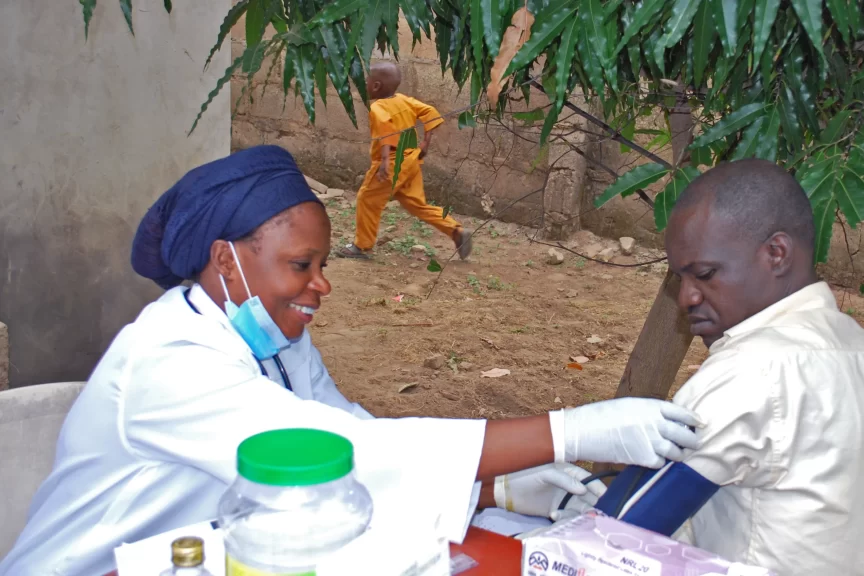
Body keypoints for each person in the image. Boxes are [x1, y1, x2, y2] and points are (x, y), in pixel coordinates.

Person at [0, 146, 704, 576]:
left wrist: (503, 491)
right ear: (225, 260)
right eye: (301, 265)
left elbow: (348, 434)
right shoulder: (169, 364)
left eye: (324, 264)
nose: (321, 285)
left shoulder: (270, 340)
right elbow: (346, 455)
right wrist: (573, 431)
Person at [601, 159, 864, 575]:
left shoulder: (750, 372)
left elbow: (618, 533)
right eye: (679, 279)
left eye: (704, 274)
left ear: (776, 253)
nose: (686, 298)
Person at [337, 61, 471, 260]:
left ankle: (361, 246)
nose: (363, 83)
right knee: (417, 205)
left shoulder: (378, 108)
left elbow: (385, 130)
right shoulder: (404, 100)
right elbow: (429, 112)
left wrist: (383, 162)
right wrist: (426, 141)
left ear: (376, 86)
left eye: (366, 79)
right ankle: (456, 231)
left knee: (367, 199)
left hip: (391, 162)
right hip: (411, 161)